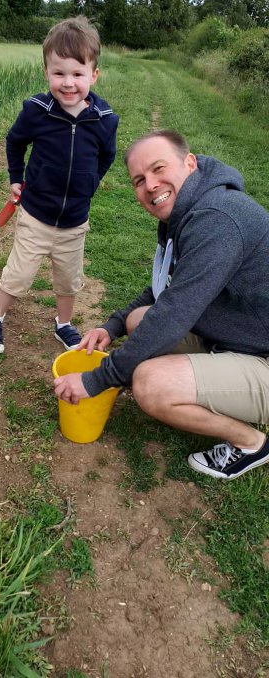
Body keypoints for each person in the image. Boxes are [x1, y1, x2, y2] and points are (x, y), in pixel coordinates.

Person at [54, 129, 269, 481]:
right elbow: (165, 288)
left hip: (263, 356)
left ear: (190, 163)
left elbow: (173, 314)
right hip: (243, 337)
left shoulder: (218, 220)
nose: (150, 185)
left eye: (158, 168)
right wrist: (113, 325)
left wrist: (97, 381)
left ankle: (251, 443)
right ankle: (218, 379)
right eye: (139, 180)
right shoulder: (190, 211)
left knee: (150, 385)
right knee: (140, 320)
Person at [0, 16, 118, 355]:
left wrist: (91, 183)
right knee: (19, 272)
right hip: (36, 214)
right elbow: (14, 142)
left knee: (69, 280)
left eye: (77, 74)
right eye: (59, 73)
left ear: (93, 75)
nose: (68, 83)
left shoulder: (105, 119)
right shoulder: (36, 110)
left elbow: (107, 156)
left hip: (75, 221)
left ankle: (64, 324)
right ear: (46, 73)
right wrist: (16, 178)